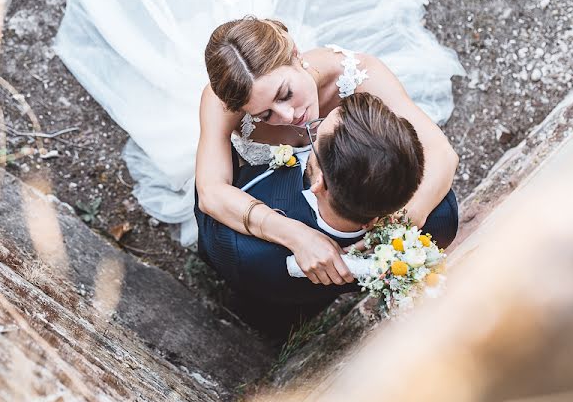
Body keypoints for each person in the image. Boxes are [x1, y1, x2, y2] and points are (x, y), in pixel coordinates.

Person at [38, 0, 464, 246]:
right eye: (263, 112)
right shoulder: (220, 105)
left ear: (296, 56)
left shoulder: (356, 71)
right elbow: (212, 192)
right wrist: (294, 234)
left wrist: (393, 230)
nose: (287, 115)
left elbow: (441, 155)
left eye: (284, 92)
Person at [194, 93, 458, 333]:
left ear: (319, 182)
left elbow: (207, 217)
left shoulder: (242, 247)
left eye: (315, 136)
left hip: (270, 298)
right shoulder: (439, 218)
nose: (309, 127)